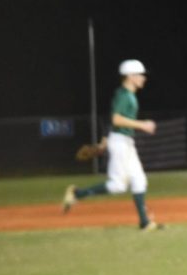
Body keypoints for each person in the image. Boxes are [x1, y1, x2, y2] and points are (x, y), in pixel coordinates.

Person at [62, 59, 163, 231]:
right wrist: (142, 125)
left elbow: (114, 121)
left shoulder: (127, 94)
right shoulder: (124, 95)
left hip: (125, 142)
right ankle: (77, 194)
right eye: (140, 74)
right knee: (117, 186)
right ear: (130, 76)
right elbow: (116, 119)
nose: (143, 78)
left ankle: (144, 222)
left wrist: (105, 140)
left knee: (139, 180)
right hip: (121, 143)